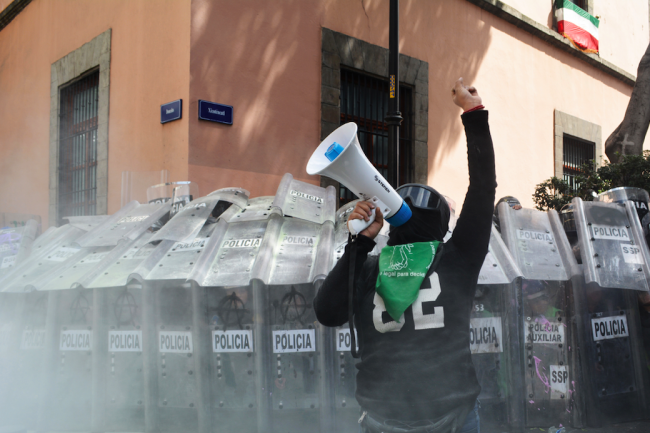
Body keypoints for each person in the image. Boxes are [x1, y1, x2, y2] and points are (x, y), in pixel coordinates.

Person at [314, 78, 497, 433]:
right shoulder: (456, 260)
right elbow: (483, 188)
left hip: (383, 421)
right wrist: (473, 113)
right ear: (442, 227)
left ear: (391, 229)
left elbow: (327, 311)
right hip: (454, 419)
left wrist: (361, 243)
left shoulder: (370, 268)